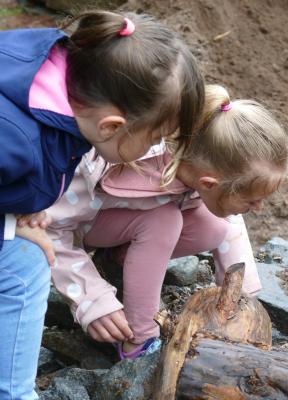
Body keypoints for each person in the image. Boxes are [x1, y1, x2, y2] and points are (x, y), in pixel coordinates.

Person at [0, 11, 204, 399]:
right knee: (27, 264)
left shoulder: (64, 70)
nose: (155, 150)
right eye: (154, 137)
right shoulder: (15, 141)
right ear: (111, 126)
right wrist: (11, 225)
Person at [47, 84, 288, 359]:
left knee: (216, 227)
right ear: (209, 183)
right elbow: (49, 231)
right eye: (251, 202)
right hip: (78, 228)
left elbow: (231, 222)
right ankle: (139, 339)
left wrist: (244, 301)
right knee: (164, 220)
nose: (259, 209)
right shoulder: (118, 159)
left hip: (121, 227)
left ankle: (119, 260)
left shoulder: (201, 165)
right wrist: (92, 299)